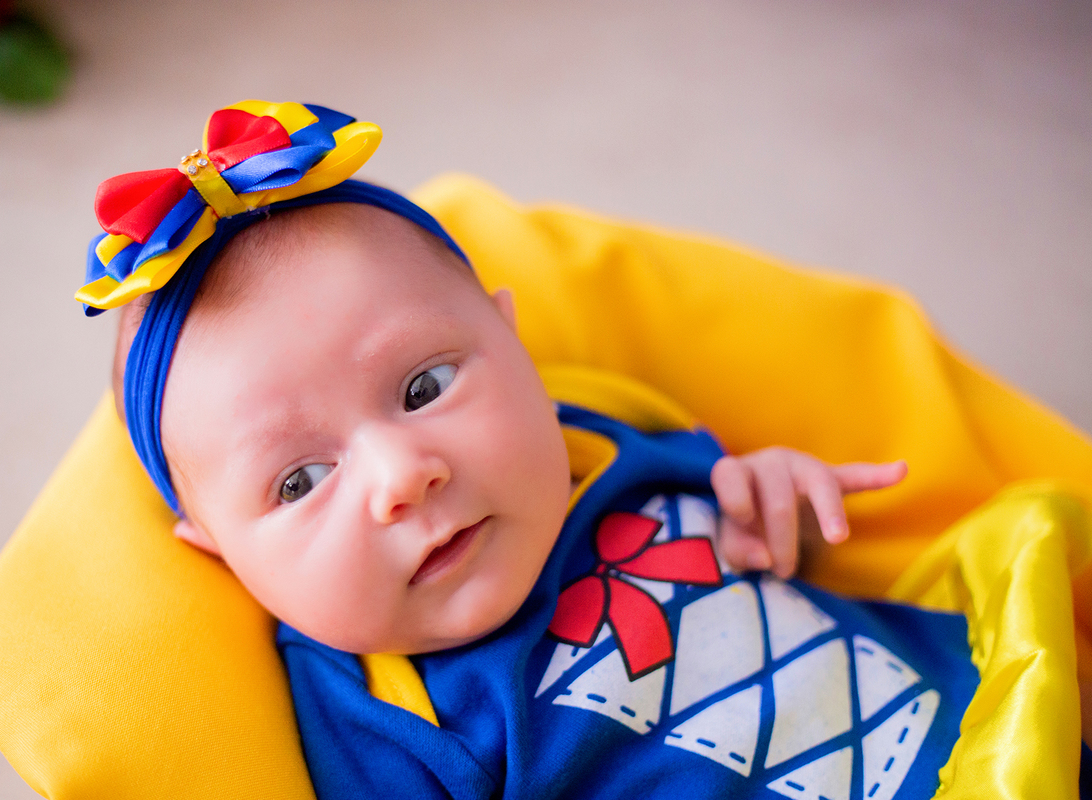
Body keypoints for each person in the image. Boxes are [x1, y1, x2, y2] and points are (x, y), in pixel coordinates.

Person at [82, 101, 1086, 799]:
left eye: (426, 386)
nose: (400, 475)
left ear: (514, 340)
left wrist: (767, 490)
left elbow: (766, 549)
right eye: (300, 479)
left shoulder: (597, 445)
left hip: (1002, 714)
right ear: (216, 548)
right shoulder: (387, 715)